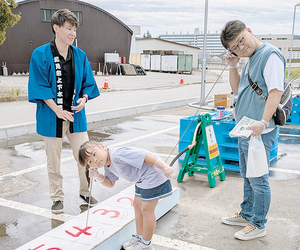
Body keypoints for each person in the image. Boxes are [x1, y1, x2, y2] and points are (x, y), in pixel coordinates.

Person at [28, 9, 100, 214]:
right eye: (69, 28)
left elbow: (88, 83)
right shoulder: (40, 54)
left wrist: (84, 99)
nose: (73, 33)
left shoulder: (80, 55)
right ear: (56, 28)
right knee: (54, 162)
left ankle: (86, 192)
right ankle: (57, 198)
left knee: (86, 156)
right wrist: (57, 110)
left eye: (75, 29)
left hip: (76, 116)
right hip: (52, 117)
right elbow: (39, 86)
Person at [220, 20, 285, 240]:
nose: (240, 47)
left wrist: (264, 122)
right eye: (235, 47)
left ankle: (258, 223)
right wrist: (233, 65)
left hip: (260, 130)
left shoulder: (270, 55)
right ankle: (247, 213)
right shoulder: (248, 59)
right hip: (245, 129)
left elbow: (276, 91)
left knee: (258, 178)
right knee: (247, 175)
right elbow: (237, 88)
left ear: (249, 31)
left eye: (241, 40)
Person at [78, 141, 174, 250]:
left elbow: (144, 156)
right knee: (137, 206)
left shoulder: (118, 154)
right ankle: (140, 237)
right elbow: (110, 183)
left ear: (102, 147)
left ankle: (146, 244)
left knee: (147, 210)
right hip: (141, 179)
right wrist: (99, 177)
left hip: (152, 175)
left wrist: (164, 167)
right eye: (90, 161)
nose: (95, 160)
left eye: (94, 154)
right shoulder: (107, 165)